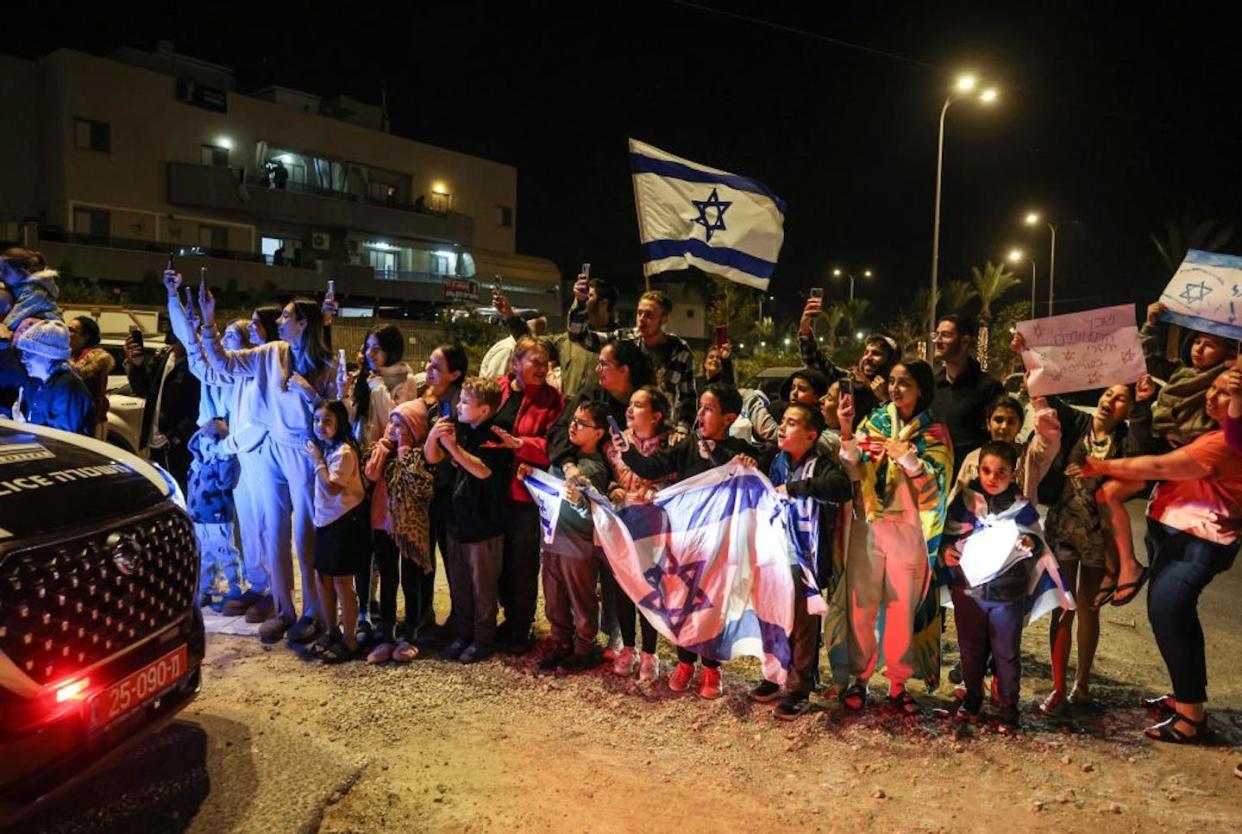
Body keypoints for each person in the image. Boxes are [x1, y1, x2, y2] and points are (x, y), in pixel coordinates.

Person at [1073, 372, 1242, 744]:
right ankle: (1186, 698)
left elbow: (1160, 468)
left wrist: (1102, 467)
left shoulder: (1224, 444)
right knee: (1173, 617)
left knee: (1169, 611)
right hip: (1175, 533)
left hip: (1199, 540)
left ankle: (1191, 718)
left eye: (1227, 393)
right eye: (1212, 389)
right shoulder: (1208, 431)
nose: (1213, 397)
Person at [195, 282, 340, 645]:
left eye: (286, 316)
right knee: (275, 535)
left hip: (305, 452)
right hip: (274, 447)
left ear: (303, 323)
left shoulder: (326, 363)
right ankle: (283, 609)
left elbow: (335, 414)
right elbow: (223, 362)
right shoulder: (271, 352)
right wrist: (209, 320)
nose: (279, 320)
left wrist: (310, 393)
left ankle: (313, 613)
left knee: (306, 537)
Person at [614, 383, 760, 699]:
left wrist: (747, 462)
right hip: (685, 540)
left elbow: (763, 467)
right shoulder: (688, 445)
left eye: (709, 409)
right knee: (682, 600)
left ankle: (711, 668)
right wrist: (627, 452)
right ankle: (685, 662)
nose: (700, 414)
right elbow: (653, 466)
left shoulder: (735, 450)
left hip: (720, 546)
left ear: (729, 417)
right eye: (700, 408)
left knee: (712, 604)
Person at [1092, 303, 1236, 606]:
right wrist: (1151, 324)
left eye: (1210, 345)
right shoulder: (1181, 373)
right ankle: (1123, 566)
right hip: (1160, 449)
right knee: (1105, 494)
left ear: (1227, 356)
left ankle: (1124, 571)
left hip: (1189, 464)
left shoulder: (1221, 379)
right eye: (1197, 341)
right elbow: (1147, 361)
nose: (1199, 349)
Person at [837, 359, 952, 715]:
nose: (895, 388)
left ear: (921, 390)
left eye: (905, 383)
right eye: (892, 381)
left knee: (901, 609)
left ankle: (898, 684)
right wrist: (845, 430)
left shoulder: (935, 433)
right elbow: (854, 468)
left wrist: (911, 463)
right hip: (869, 527)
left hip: (909, 532)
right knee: (861, 606)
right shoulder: (874, 423)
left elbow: (937, 487)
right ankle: (860, 679)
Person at [750, 403, 853, 718]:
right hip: (775, 554)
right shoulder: (778, 462)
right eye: (782, 421)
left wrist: (797, 489)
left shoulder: (821, 466)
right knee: (773, 618)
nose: (782, 427)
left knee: (803, 626)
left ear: (810, 435)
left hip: (806, 559)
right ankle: (774, 675)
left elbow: (840, 489)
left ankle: (798, 687)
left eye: (791, 423)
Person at [1039, 384, 1133, 714]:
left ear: (1129, 409)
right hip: (1063, 527)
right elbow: (1046, 396)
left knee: (1089, 607)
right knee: (1062, 607)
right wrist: (1027, 352)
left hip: (1098, 534)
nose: (1110, 401)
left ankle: (1081, 683)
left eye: (1121, 398)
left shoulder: (1126, 442)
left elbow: (1140, 469)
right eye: (1109, 394)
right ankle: (1057, 686)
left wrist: (1147, 404)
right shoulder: (1079, 424)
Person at [941, 441, 1046, 730]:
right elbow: (944, 538)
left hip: (1007, 596)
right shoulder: (963, 503)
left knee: (1007, 654)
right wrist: (944, 551)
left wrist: (1031, 542)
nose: (992, 477)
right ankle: (972, 699)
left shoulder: (1022, 509)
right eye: (986, 470)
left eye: (1001, 472)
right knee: (970, 651)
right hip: (968, 592)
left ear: (1013, 473)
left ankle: (1008, 709)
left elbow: (1038, 543)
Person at [425, 377, 514, 663]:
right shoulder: (459, 429)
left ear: (484, 410)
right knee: (459, 583)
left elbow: (482, 470)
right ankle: (463, 634)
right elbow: (432, 457)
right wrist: (434, 437)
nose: (458, 406)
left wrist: (452, 448)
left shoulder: (495, 435)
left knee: (483, 587)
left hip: (484, 526)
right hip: (457, 522)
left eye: (465, 402)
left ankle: (483, 638)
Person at [490, 336, 565, 654]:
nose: (542, 367)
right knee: (497, 561)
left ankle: (521, 626)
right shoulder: (495, 389)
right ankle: (501, 619)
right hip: (490, 489)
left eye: (545, 362)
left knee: (522, 562)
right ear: (515, 363)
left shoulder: (552, 400)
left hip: (524, 493)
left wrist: (521, 445)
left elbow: (555, 446)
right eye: (535, 361)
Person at [529, 400, 611, 672]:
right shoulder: (566, 460)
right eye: (573, 420)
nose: (573, 426)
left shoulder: (594, 468)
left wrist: (579, 501)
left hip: (577, 546)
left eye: (581, 423)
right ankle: (561, 641)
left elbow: (596, 514)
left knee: (581, 598)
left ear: (598, 433)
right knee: (554, 597)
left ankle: (585, 647)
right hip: (553, 541)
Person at [567, 276, 696, 441]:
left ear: (664, 319)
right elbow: (579, 336)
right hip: (629, 426)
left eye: (649, 315)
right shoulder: (626, 338)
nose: (642, 319)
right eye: (639, 313)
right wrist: (580, 303)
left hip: (663, 431)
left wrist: (682, 431)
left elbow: (688, 398)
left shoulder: (679, 351)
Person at [603, 385, 675, 680]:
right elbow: (606, 475)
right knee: (623, 586)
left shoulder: (668, 445)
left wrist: (657, 490)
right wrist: (613, 487)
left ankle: (650, 652)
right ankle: (628, 647)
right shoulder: (614, 444)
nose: (630, 410)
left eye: (638, 405)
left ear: (657, 415)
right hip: (622, 527)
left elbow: (677, 481)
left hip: (653, 530)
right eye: (629, 404)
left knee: (649, 589)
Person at [364, 401, 435, 663]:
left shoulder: (419, 454)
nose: (394, 429)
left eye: (401, 425)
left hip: (409, 531)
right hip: (382, 525)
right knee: (388, 578)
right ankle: (387, 632)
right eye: (392, 423)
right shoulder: (381, 450)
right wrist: (383, 448)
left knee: (411, 580)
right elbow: (371, 474)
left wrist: (404, 449)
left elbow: (417, 486)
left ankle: (411, 633)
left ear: (415, 428)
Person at [304, 400, 368, 663]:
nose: (321, 425)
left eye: (327, 420)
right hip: (325, 521)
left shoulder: (343, 452)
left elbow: (332, 487)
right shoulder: (326, 449)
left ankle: (350, 640)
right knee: (322, 577)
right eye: (317, 420)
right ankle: (332, 631)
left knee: (343, 581)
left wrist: (318, 462)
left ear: (340, 423)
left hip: (345, 521)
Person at [496, 276, 620, 400]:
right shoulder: (567, 340)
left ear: (604, 303)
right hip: (570, 413)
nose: (582, 299)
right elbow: (529, 344)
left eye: (589, 296)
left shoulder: (619, 343)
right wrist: (510, 315)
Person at [421, 344, 469, 639]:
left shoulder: (456, 405)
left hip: (452, 491)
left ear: (455, 374)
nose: (428, 369)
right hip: (434, 491)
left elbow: (439, 454)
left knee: (455, 559)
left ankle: (460, 620)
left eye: (436, 367)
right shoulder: (430, 398)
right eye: (429, 363)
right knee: (433, 557)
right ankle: (434, 616)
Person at [125, 327, 201, 493]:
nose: (169, 329)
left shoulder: (199, 359)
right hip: (155, 438)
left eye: (175, 323)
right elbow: (143, 390)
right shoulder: (164, 355)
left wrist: (177, 435)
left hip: (178, 443)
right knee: (160, 487)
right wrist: (136, 365)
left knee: (181, 490)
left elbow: (201, 405)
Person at [930, 315, 1003, 476]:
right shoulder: (933, 386)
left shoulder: (988, 387)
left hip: (971, 482)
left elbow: (1000, 437)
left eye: (946, 335)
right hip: (936, 479)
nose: (938, 341)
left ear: (964, 341)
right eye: (936, 335)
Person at [953, 394, 1060, 503]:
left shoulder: (1030, 456)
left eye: (1011, 422)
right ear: (988, 424)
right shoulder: (973, 457)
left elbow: (1049, 438)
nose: (1004, 426)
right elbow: (957, 493)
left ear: (1020, 426)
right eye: (998, 420)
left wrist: (1038, 401)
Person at [798, 296, 899, 411]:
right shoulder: (849, 380)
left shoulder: (896, 390)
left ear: (890, 360)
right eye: (866, 352)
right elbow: (817, 363)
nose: (868, 357)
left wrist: (884, 399)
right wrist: (805, 329)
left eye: (876, 353)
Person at [189, 417, 243, 611]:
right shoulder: (196, 465)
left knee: (226, 554)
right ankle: (207, 589)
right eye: (202, 441)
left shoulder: (223, 463)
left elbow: (227, 483)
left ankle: (235, 589)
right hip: (198, 519)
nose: (205, 446)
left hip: (218, 518)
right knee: (204, 556)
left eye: (211, 442)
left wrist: (225, 458)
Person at [14, 319, 93, 435]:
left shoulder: (67, 388)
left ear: (49, 355)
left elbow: (60, 440)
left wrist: (23, 427)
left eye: (29, 354)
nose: (23, 359)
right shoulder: (37, 382)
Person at [346, 323, 419, 449]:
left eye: (377, 348)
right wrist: (343, 393)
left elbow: (396, 424)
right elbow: (351, 418)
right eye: (368, 346)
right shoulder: (366, 376)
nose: (369, 353)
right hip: (359, 452)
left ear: (391, 351)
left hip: (383, 456)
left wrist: (377, 386)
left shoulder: (406, 380)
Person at [67, 315, 114, 440]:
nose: (66, 333)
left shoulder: (93, 361)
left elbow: (96, 401)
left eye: (71, 330)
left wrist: (89, 432)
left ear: (85, 337)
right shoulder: (70, 357)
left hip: (88, 426)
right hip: (75, 423)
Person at [0, 246, 60, 337]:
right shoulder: (21, 290)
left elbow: (14, 320)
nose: (1, 274)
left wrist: (3, 328)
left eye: (5, 271)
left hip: (48, 338)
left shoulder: (35, 292)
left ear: (23, 271)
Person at [478, 309, 547, 379]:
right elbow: (494, 382)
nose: (543, 335)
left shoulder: (527, 349)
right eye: (539, 328)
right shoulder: (508, 348)